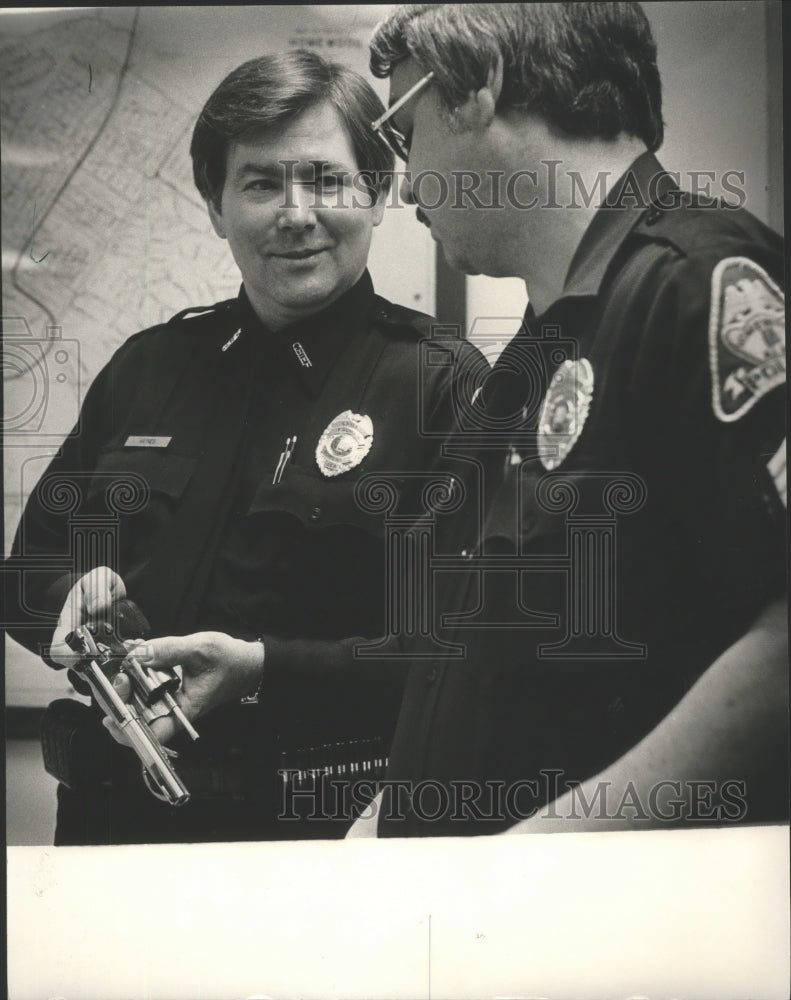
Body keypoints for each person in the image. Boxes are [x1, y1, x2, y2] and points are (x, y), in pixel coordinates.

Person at [4, 49, 484, 844]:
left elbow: (460, 652)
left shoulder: (441, 385)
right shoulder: (146, 366)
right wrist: (65, 602)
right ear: (214, 203)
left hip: (317, 835)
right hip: (108, 825)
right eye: (260, 182)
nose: (296, 214)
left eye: (326, 180)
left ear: (379, 192)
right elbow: (22, 570)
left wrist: (265, 670)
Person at [348, 1, 785, 836]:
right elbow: (485, 665)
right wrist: (389, 811)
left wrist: (547, 854)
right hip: (477, 913)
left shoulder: (694, 285)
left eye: (405, 136)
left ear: (476, 86)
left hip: (599, 930)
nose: (405, 187)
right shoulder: (538, 344)